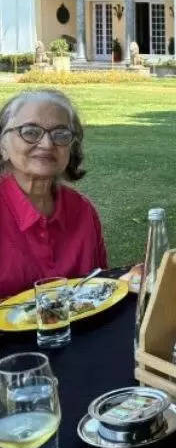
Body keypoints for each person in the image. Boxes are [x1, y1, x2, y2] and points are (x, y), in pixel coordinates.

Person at [0, 89, 107, 298]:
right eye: (30, 132)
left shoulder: (83, 211)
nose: (47, 144)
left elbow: (100, 289)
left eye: (60, 135)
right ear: (3, 146)